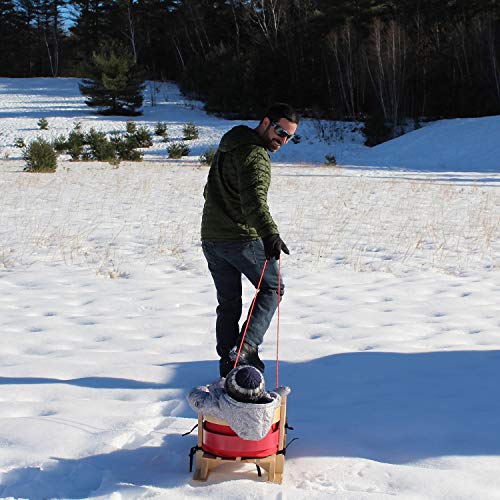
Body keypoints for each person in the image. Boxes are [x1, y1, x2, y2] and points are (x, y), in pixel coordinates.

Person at [201, 103, 299, 378]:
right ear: (266, 122)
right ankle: (245, 349)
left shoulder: (230, 143)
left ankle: (228, 368)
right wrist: (270, 234)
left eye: (289, 137)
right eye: (280, 132)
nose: (283, 140)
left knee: (229, 303)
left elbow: (210, 189)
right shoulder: (255, 156)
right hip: (240, 239)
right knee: (273, 287)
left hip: (211, 238)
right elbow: (254, 200)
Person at [187, 365, 291, 441]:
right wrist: (276, 394)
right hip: (263, 451)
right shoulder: (270, 407)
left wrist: (207, 389)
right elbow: (275, 399)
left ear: (229, 387)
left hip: (220, 449)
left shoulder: (215, 404)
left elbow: (194, 397)